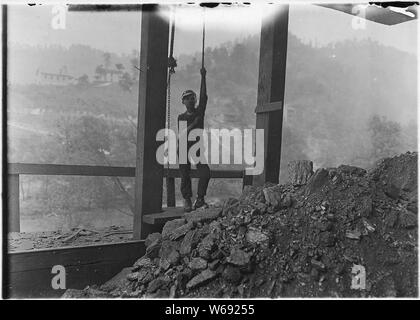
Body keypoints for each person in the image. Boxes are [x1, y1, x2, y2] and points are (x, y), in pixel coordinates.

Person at [178, 67, 210, 212]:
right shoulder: (182, 117)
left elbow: (204, 97)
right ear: (183, 101)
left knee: (205, 172)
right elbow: (183, 134)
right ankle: (187, 199)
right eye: (189, 98)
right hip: (184, 146)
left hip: (197, 146)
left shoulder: (199, 111)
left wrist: (203, 77)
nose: (192, 99)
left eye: (193, 97)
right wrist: (194, 124)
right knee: (185, 173)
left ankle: (200, 198)